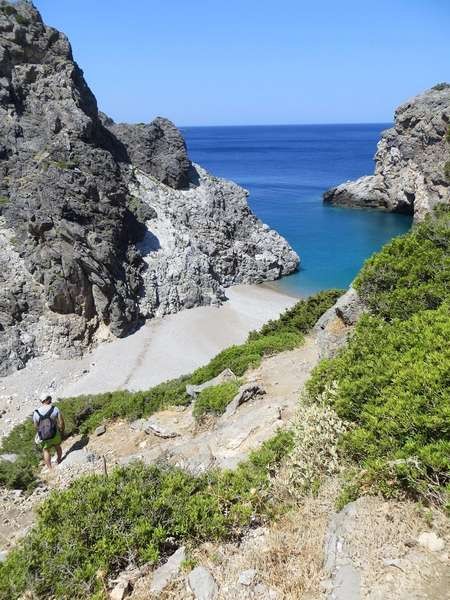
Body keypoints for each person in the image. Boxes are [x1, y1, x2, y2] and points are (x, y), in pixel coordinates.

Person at [33, 393, 65, 469]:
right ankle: (59, 460)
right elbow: (61, 422)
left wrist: (41, 431)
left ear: (41, 401)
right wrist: (62, 431)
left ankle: (50, 468)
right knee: (57, 446)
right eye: (50, 398)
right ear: (48, 399)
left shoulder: (36, 412)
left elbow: (36, 426)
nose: (51, 399)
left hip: (43, 435)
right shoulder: (55, 409)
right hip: (55, 433)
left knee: (46, 450)